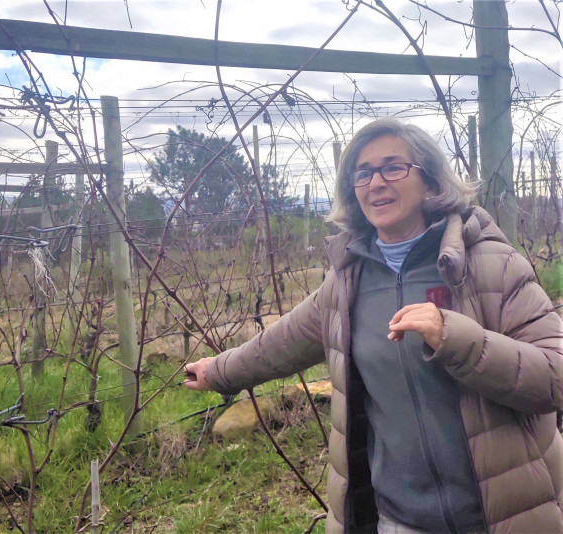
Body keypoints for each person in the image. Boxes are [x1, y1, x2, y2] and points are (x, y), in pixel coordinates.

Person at [184, 118, 563, 533]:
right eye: (362, 172)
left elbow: (554, 376)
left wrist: (459, 341)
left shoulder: (492, 265)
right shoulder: (347, 282)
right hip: (399, 521)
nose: (376, 182)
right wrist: (218, 371)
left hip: (507, 516)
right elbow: (281, 343)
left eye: (393, 167)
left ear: (430, 181)